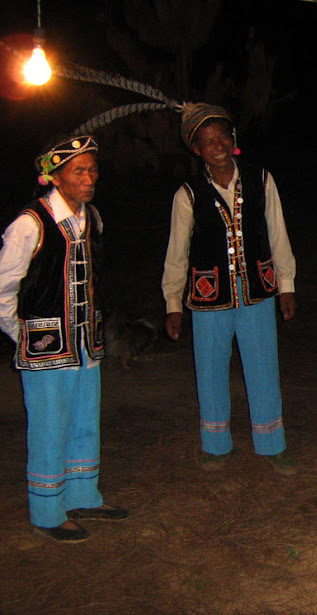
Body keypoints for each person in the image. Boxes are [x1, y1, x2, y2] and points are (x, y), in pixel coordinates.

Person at [0, 135, 128, 543]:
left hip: (85, 344)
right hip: (44, 346)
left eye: (92, 169)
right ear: (54, 177)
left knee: (85, 421)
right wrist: (20, 333)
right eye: (79, 170)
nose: (89, 178)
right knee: (49, 427)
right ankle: (47, 509)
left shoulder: (93, 218)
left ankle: (83, 494)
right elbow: (4, 287)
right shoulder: (30, 224)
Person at [162, 103, 298, 475]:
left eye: (222, 136)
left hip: (257, 290)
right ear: (197, 150)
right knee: (209, 369)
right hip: (209, 298)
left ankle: (272, 443)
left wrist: (286, 283)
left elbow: (277, 233)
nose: (217, 145)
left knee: (263, 366)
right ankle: (216, 443)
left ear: (233, 139)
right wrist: (173, 303)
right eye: (207, 141)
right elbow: (178, 252)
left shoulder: (261, 180)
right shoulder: (187, 194)